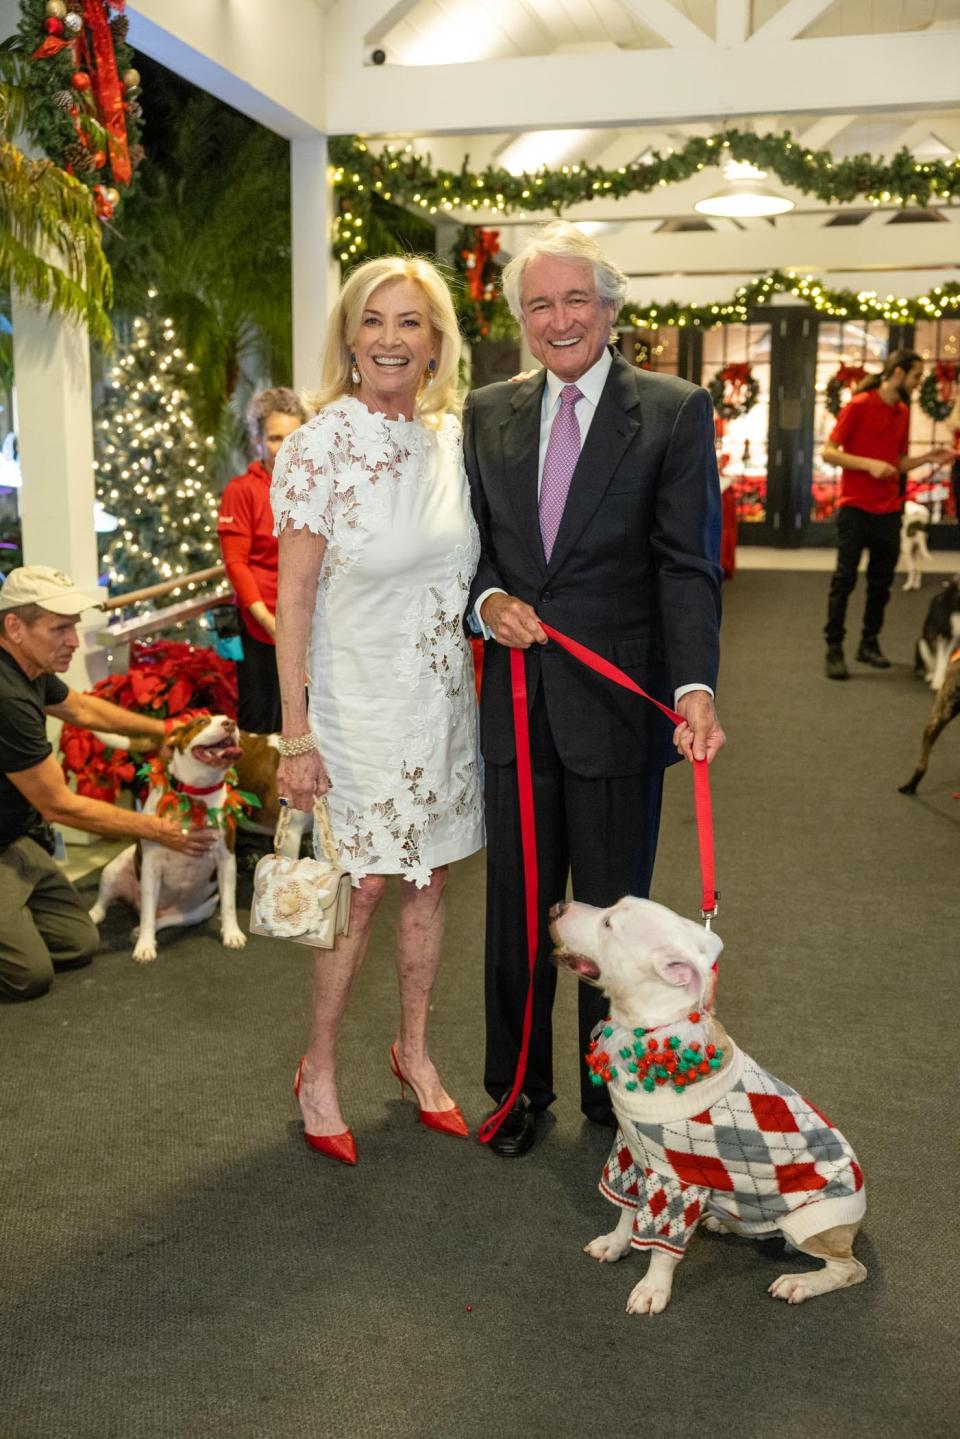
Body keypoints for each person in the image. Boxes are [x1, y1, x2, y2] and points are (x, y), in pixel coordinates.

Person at [464, 221, 725, 1159]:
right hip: (519, 706)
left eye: (578, 299)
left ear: (611, 309)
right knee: (516, 908)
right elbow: (477, 549)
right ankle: (517, 1088)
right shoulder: (485, 410)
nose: (560, 317)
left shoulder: (673, 409)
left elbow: (686, 565)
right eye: (540, 303)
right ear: (521, 318)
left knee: (611, 915)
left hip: (619, 710)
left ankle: (613, 1093)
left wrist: (695, 685)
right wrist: (488, 599)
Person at [269, 255, 484, 1166]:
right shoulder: (318, 445)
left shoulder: (452, 442)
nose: (392, 339)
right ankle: (317, 1067)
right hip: (355, 712)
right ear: (350, 339)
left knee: (429, 884)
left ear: (438, 344)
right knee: (356, 897)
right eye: (375, 321)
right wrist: (296, 732)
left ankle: (416, 1051)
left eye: (411, 323)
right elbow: (295, 602)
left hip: (439, 707)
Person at [0, 566, 216, 1001]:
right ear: (14, 627)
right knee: (30, 976)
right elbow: (61, 806)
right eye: (60, 628)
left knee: (78, 943)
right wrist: (158, 829)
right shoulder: (6, 696)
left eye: (74, 628)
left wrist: (164, 730)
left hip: (12, 836)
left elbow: (83, 709)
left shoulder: (30, 669)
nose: (73, 642)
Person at [822, 350, 953, 680]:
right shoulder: (859, 404)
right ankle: (834, 648)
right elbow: (829, 452)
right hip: (855, 508)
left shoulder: (902, 411)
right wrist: (868, 464)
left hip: (888, 510)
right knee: (845, 580)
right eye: (916, 376)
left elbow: (896, 462)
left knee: (881, 584)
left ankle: (869, 643)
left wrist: (928, 458)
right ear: (897, 373)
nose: (918, 382)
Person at [218, 387, 307, 733]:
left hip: (310, 626)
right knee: (263, 727)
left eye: (293, 437)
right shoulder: (242, 491)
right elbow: (236, 564)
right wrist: (269, 621)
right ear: (257, 440)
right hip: (261, 628)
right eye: (274, 437)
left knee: (310, 725)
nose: (284, 447)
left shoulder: (313, 486)